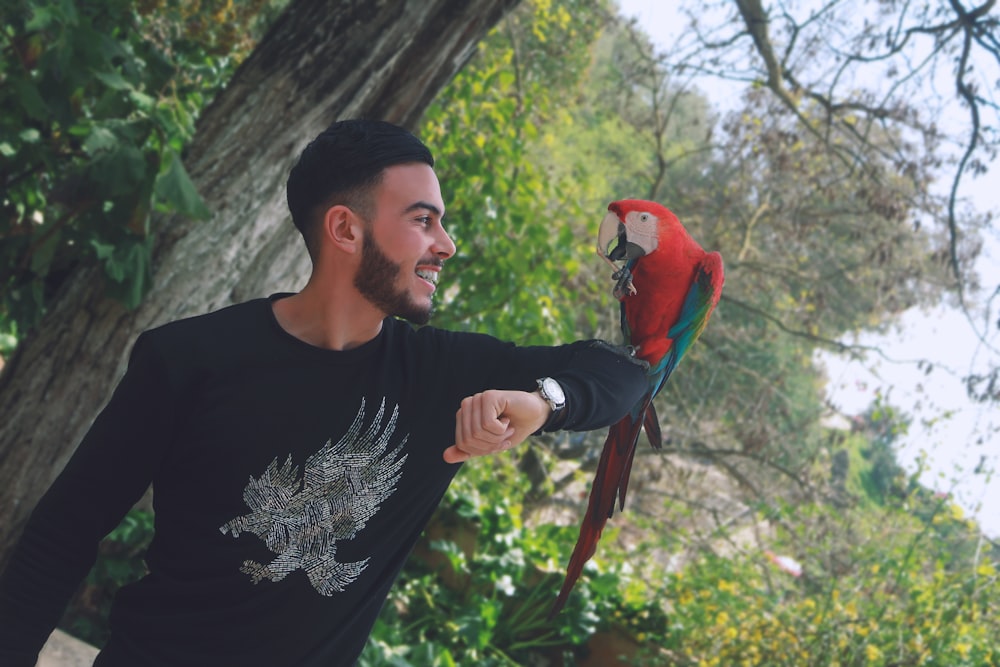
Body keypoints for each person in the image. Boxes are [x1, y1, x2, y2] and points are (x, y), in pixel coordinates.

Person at [0, 119, 646, 666]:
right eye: (423, 221)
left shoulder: (442, 373)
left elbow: (622, 373)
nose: (445, 245)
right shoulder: (188, 358)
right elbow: (63, 533)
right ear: (344, 229)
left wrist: (545, 402)